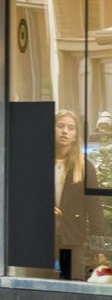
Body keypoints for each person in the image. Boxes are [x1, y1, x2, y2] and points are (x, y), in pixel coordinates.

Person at [54, 109, 107, 280]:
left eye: (70, 128)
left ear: (76, 135)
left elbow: (95, 209)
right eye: (60, 126)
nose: (65, 131)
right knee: (42, 285)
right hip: (42, 236)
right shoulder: (39, 162)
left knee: (70, 286)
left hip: (72, 239)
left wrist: (98, 247)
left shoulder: (84, 167)